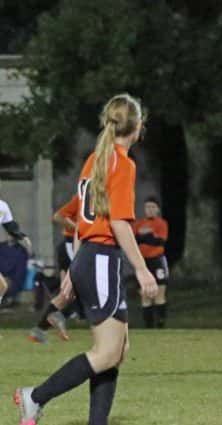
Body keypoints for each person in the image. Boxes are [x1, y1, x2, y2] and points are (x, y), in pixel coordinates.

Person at [15, 93, 158, 425]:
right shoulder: (122, 163)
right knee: (107, 352)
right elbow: (119, 222)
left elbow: (82, 219)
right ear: (137, 127)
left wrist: (73, 267)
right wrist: (142, 269)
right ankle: (34, 397)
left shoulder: (96, 159)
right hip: (102, 260)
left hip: (89, 257)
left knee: (116, 352)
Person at [29, 194, 80, 343]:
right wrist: (79, 228)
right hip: (71, 245)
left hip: (74, 246)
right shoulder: (84, 195)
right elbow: (59, 216)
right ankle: (59, 315)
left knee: (68, 293)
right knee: (79, 287)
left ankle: (40, 329)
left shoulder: (102, 197)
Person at [132, 197, 170, 328]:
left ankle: (161, 323)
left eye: (153, 207)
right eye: (148, 207)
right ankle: (148, 325)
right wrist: (145, 237)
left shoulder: (161, 224)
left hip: (157, 260)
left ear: (158, 209)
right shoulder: (138, 224)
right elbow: (134, 240)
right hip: (143, 262)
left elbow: (160, 241)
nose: (150, 210)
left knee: (160, 293)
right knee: (144, 294)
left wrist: (147, 235)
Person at [0, 192, 33, 308]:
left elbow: (10, 226)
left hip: (11, 279)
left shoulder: (3, 206)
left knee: (2, 286)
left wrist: (23, 237)